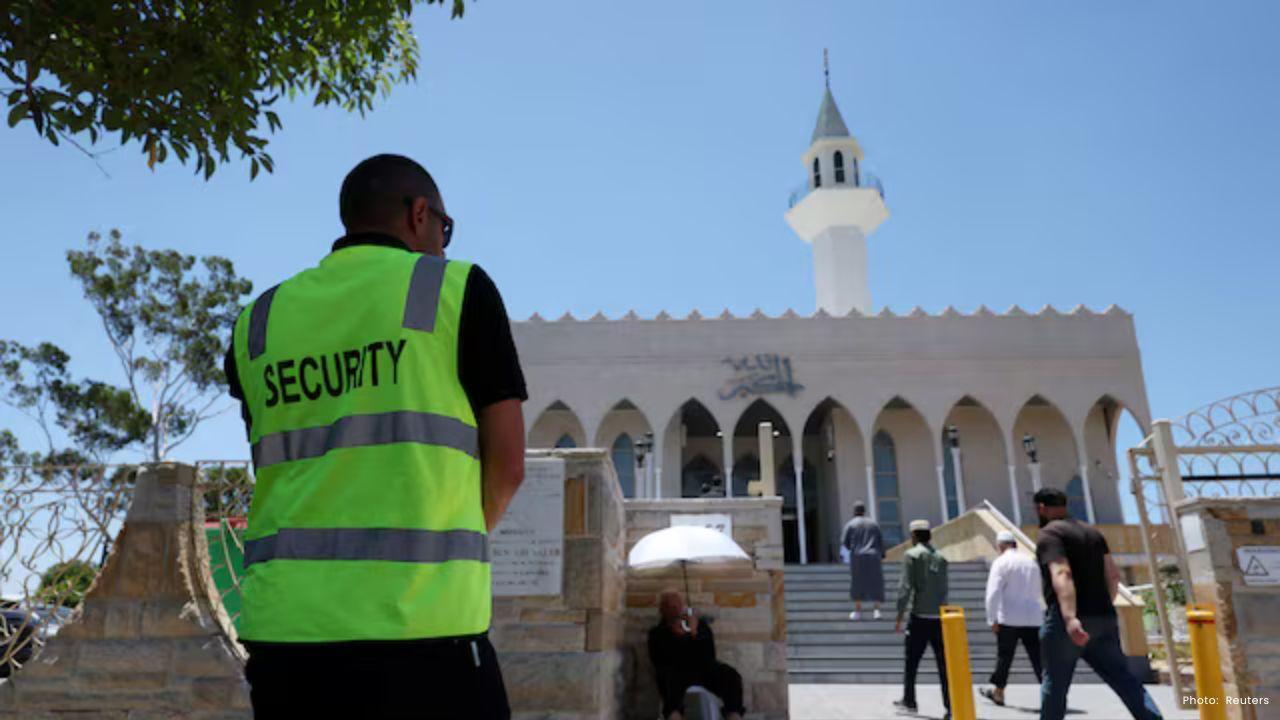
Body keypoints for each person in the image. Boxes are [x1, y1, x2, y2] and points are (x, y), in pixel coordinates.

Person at [224, 154, 528, 719]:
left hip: (286, 642)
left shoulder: (257, 322)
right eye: (444, 228)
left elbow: (279, 463)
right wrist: (445, 541)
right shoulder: (457, 290)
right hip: (426, 638)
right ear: (420, 215)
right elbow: (508, 465)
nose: (444, 243)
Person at [1034, 487, 1163, 720]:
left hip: (1068, 622)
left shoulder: (1050, 535)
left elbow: (1062, 572)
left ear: (1041, 508)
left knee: (1055, 685)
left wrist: (1070, 617)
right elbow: (1113, 575)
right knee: (1124, 679)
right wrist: (1105, 605)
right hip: (1103, 616)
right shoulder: (1093, 533)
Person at [648, 590, 746, 720]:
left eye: (678, 604)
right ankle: (674, 715)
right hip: (676, 673)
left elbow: (710, 656)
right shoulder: (657, 633)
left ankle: (733, 714)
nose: (675, 609)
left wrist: (694, 632)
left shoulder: (699, 626)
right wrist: (675, 636)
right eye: (670, 606)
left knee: (730, 675)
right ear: (662, 610)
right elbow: (659, 660)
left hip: (703, 670)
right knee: (667, 678)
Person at [894, 519, 950, 718]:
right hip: (939, 618)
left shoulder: (912, 555)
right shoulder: (941, 558)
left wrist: (899, 614)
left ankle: (909, 700)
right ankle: (950, 705)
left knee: (912, 662)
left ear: (914, 536)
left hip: (919, 617)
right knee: (944, 664)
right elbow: (944, 589)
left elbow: (905, 587)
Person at [980, 530, 1043, 707]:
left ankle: (999, 692)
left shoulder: (1001, 562)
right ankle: (1052, 693)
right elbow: (1039, 590)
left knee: (1004, 657)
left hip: (1009, 618)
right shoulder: (1031, 562)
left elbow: (993, 593)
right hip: (1033, 618)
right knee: (1039, 659)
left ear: (1000, 546)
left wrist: (992, 619)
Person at [841, 501, 885, 620]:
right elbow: (880, 541)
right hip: (873, 556)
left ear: (854, 511)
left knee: (857, 583)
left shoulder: (851, 524)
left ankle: (857, 611)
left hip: (857, 556)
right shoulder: (874, 524)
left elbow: (845, 542)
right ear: (864, 511)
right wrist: (882, 554)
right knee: (875, 583)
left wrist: (852, 549)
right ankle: (876, 610)